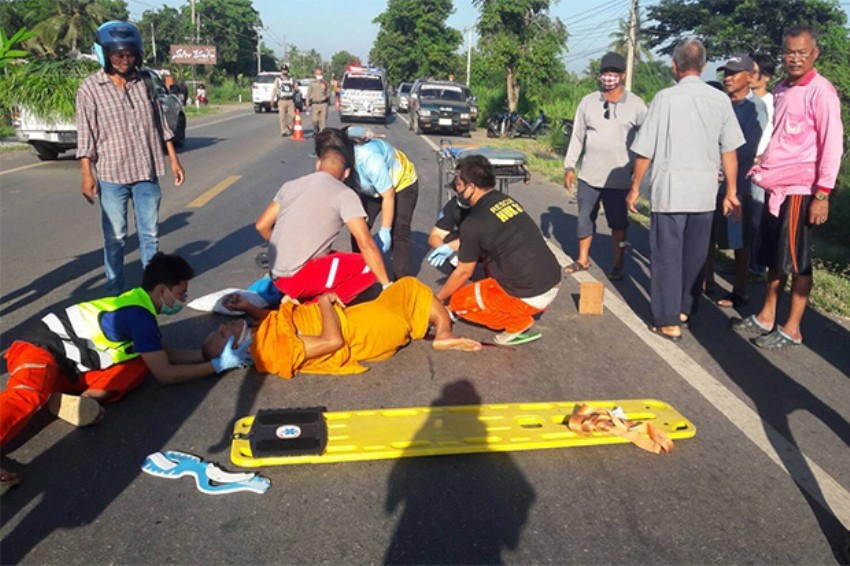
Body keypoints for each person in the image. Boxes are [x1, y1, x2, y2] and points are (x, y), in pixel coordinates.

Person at [0, 253, 251, 491]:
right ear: (162, 290)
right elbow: (165, 374)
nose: (184, 300)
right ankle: (59, 397)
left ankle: (82, 400)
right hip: (39, 350)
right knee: (27, 395)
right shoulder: (139, 317)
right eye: (181, 293)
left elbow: (162, 354)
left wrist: (206, 355)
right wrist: (215, 366)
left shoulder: (139, 305)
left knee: (140, 363)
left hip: (68, 367)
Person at [732, 25, 844, 349]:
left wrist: (822, 194)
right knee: (774, 257)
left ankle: (792, 327)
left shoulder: (821, 91)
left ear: (814, 54)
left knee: (796, 261)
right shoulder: (782, 88)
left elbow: (832, 144)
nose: (795, 58)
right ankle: (767, 315)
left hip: (800, 188)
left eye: (802, 52)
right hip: (777, 186)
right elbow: (782, 134)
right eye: (789, 52)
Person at [627, 38, 745, 342]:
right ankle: (684, 309)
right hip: (704, 193)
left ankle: (667, 320)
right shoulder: (720, 100)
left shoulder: (664, 98)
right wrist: (731, 191)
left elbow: (645, 151)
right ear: (704, 67)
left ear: (674, 66)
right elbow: (729, 151)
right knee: (694, 256)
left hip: (670, 192)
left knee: (667, 257)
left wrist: (635, 187)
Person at [76, 21, 186, 296]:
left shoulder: (145, 81)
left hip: (146, 172)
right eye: (118, 55)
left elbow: (162, 125)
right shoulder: (90, 88)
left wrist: (174, 160)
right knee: (115, 239)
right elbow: (85, 134)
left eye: (130, 55)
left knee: (150, 236)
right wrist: (86, 174)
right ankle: (115, 292)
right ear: (105, 54)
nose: (125, 61)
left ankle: (151, 290)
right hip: (112, 175)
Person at [206, 277, 482, 379]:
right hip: (365, 331)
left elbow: (282, 322)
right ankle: (444, 333)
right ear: (235, 348)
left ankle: (443, 332)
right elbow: (331, 342)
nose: (222, 327)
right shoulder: (274, 350)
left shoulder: (261, 336)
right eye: (221, 335)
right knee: (410, 288)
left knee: (404, 289)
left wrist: (249, 308)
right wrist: (325, 302)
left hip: (359, 318)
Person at [435, 155, 561, 346]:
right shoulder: (505, 200)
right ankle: (521, 306)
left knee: (459, 302)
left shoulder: (473, 222)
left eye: (459, 184)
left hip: (530, 292)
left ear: (470, 187)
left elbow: (463, 272)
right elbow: (490, 233)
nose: (456, 188)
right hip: (551, 279)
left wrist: (437, 300)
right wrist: (453, 245)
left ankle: (517, 322)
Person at [255, 128, 391, 305]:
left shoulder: (290, 185)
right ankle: (313, 307)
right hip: (296, 278)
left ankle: (300, 295)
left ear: (318, 163)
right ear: (347, 173)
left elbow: (262, 226)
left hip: (276, 273)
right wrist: (387, 285)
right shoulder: (344, 194)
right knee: (370, 266)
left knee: (337, 258)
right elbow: (366, 244)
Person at [562, 52, 647, 280]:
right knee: (584, 218)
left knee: (618, 223)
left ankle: (618, 264)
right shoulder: (588, 102)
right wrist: (569, 166)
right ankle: (582, 259)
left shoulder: (637, 105)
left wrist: (640, 177)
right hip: (589, 175)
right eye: (604, 73)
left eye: (613, 74)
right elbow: (577, 136)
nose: (608, 78)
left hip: (619, 178)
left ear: (622, 75)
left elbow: (648, 139)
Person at [705, 54, 768, 309]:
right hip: (712, 181)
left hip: (738, 185)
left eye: (733, 73)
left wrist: (721, 165)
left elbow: (747, 147)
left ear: (749, 77)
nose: (727, 78)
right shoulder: (721, 102)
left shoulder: (755, 108)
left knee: (738, 241)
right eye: (725, 73)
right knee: (707, 233)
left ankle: (739, 290)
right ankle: (706, 280)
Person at [345, 126, 419, 279]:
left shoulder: (370, 159)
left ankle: (401, 279)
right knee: (359, 227)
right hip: (371, 188)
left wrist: (385, 230)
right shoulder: (340, 154)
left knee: (399, 230)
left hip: (401, 183)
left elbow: (389, 195)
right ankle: (360, 270)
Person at [748, 53, 777, 279]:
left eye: (754, 71)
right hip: (741, 164)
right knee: (744, 216)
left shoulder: (773, 102)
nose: (749, 75)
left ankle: (757, 267)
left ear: (766, 76)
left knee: (758, 217)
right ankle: (743, 263)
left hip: (762, 167)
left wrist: (764, 158)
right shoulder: (743, 99)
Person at [426, 195, 472, 269]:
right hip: (468, 241)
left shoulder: (489, 204)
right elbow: (435, 235)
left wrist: (452, 246)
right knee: (448, 239)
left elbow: (482, 235)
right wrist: (449, 253)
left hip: (490, 243)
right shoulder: (454, 204)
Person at [272, 64, 297, 137]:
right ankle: (283, 130)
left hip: (290, 100)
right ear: (281, 71)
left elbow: (296, 87)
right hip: (282, 100)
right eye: (283, 70)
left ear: (287, 70)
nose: (284, 71)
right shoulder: (278, 79)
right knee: (282, 116)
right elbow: (274, 89)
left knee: (293, 116)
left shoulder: (291, 79)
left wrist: (295, 89)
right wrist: (272, 99)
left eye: (285, 70)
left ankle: (290, 126)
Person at [306, 67, 330, 135]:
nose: (319, 76)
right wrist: (307, 103)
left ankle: (322, 134)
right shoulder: (312, 84)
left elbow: (328, 93)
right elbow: (308, 94)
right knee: (314, 121)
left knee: (323, 122)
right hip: (315, 104)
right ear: (315, 74)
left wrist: (326, 96)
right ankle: (316, 130)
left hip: (323, 104)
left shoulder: (325, 83)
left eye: (320, 74)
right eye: (318, 74)